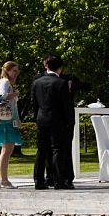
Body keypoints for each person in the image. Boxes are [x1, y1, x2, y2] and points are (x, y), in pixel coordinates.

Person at [29, 56, 81, 191]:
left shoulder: (37, 82)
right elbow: (66, 105)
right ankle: (59, 180)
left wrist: (37, 118)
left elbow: (34, 103)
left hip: (42, 119)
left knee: (41, 150)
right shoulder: (61, 83)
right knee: (58, 149)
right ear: (60, 68)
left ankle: (38, 180)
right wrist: (70, 120)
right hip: (58, 120)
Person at [0, 61, 23, 189]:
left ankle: (2, 179)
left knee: (7, 149)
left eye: (17, 71)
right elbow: (0, 97)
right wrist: (14, 94)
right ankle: (3, 180)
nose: (16, 74)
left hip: (9, 119)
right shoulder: (5, 82)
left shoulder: (4, 82)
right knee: (6, 150)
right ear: (7, 70)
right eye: (14, 71)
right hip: (6, 120)